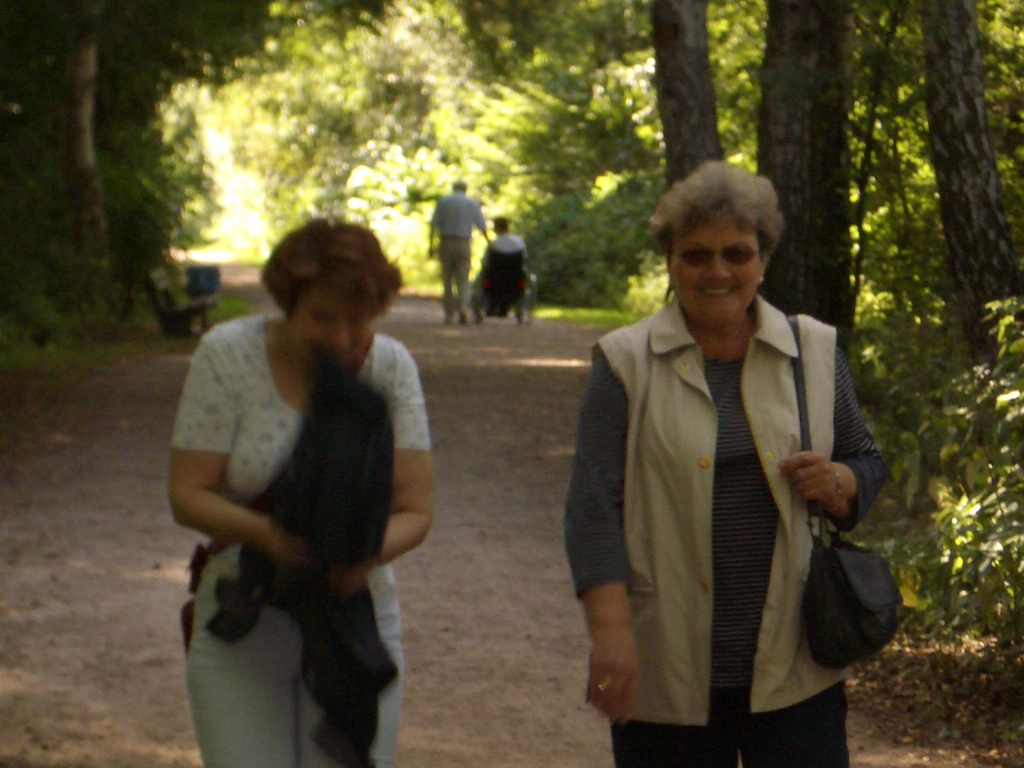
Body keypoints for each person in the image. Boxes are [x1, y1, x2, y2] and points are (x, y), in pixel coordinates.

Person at [563, 161, 887, 768]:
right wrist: (610, 633)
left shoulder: (813, 351)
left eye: (736, 254)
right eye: (696, 255)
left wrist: (839, 482)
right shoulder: (625, 362)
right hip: (667, 667)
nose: (717, 272)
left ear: (763, 259)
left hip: (795, 666)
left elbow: (866, 462)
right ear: (670, 262)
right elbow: (593, 507)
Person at [168, 219, 434, 768]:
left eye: (357, 320)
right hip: (244, 615)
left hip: (351, 625)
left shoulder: (389, 366)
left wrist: (364, 557)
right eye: (322, 317)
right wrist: (270, 537)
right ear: (288, 304)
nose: (340, 338)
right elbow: (188, 494)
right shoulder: (228, 356)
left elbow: (416, 510)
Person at [428, 180, 490, 324]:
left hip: (446, 241)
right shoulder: (472, 203)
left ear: (453, 188)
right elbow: (481, 225)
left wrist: (431, 246)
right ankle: (463, 307)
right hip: (464, 242)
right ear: (465, 189)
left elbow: (434, 225)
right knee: (463, 278)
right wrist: (489, 242)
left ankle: (449, 314)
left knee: (447, 279)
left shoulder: (443, 202)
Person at [470, 216, 530, 323]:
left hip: (493, 282)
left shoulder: (493, 245)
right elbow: (524, 260)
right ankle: (520, 311)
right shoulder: (519, 242)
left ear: (496, 228)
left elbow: (485, 263)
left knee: (480, 277)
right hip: (515, 281)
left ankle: (479, 311)